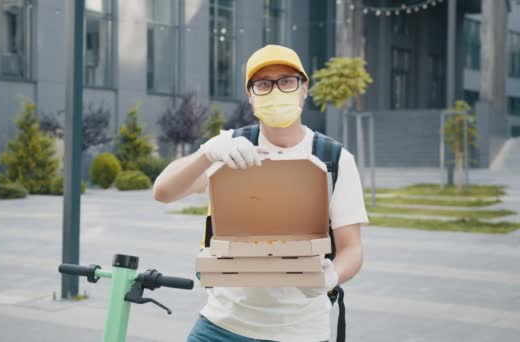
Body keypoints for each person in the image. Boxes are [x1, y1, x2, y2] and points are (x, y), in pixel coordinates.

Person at [153, 45, 369, 342]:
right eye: (264, 84)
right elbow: (163, 192)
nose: (276, 91)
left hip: (300, 331)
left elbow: (352, 249)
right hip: (221, 324)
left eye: (287, 81)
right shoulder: (230, 149)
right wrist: (207, 154)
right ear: (251, 95)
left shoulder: (334, 158)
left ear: (304, 88)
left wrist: (330, 276)